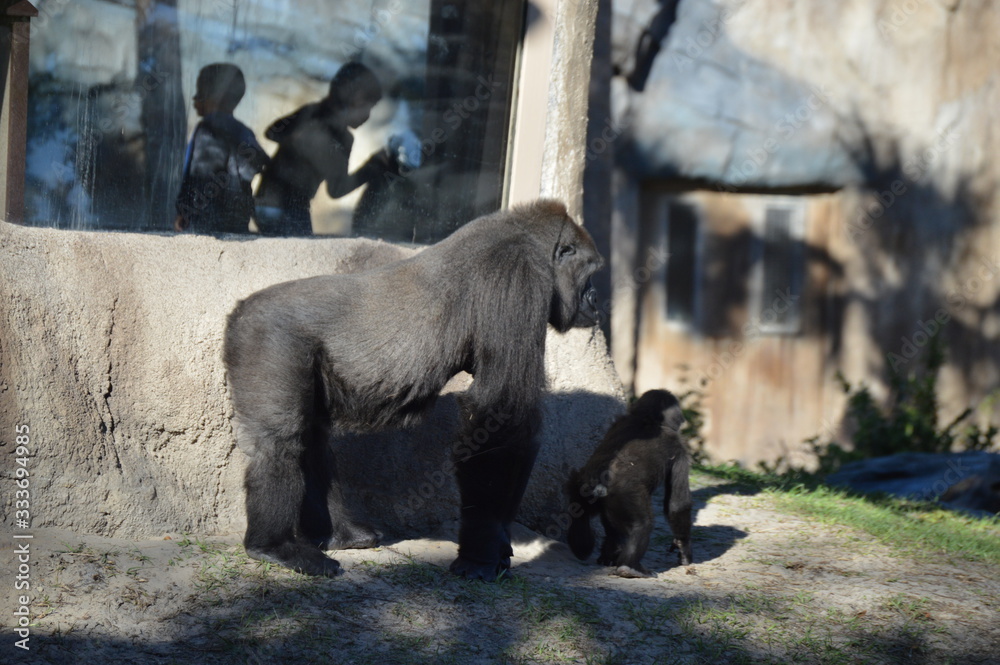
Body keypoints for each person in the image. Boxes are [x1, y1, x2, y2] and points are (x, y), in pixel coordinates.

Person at [254, 62, 389, 236]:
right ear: (358, 99)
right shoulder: (341, 137)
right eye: (369, 107)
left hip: (264, 201)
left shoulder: (311, 112)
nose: (368, 116)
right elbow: (337, 189)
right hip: (288, 208)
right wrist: (374, 165)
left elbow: (273, 132)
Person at [174, 63, 268, 234]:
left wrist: (185, 211)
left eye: (200, 93)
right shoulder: (243, 131)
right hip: (236, 217)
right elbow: (260, 162)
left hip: (207, 219)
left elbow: (200, 177)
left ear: (215, 97)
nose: (195, 99)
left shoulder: (207, 130)